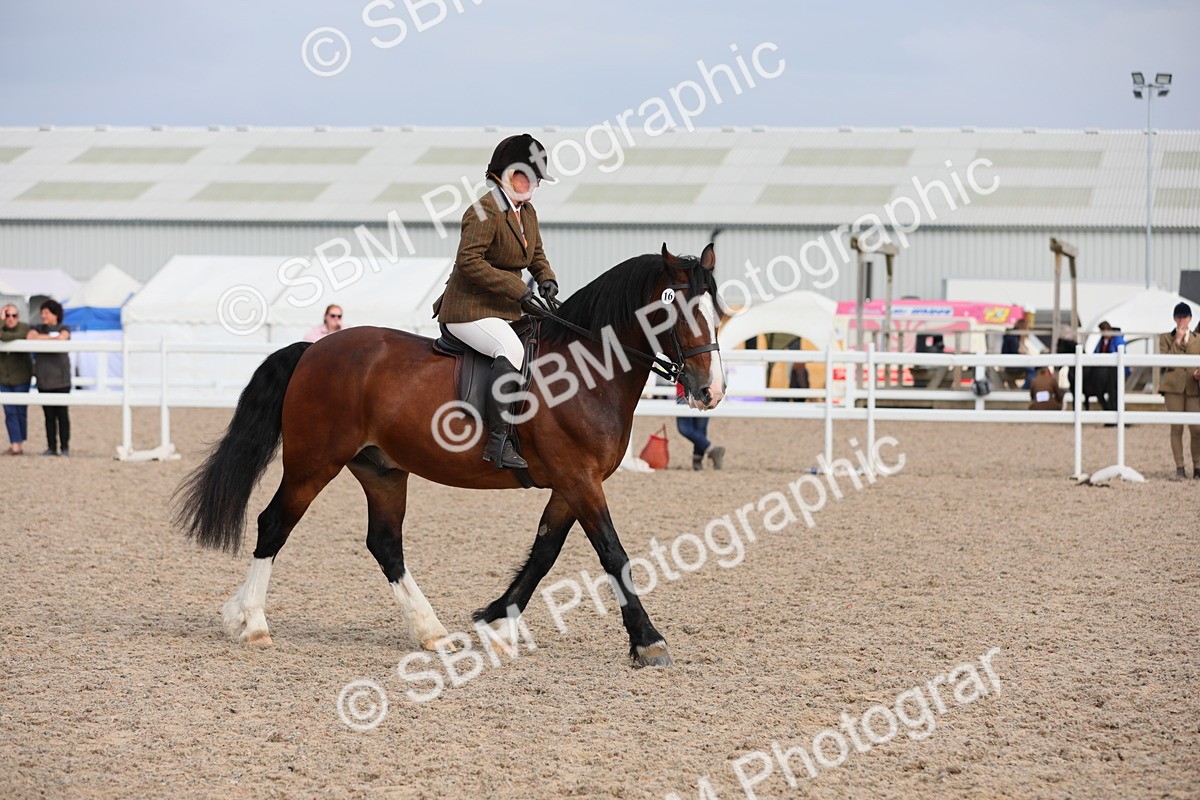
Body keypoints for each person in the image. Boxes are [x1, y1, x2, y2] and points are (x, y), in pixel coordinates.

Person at [432, 133, 559, 470]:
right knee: (512, 350)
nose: (533, 184)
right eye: (525, 175)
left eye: (536, 178)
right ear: (505, 175)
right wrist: (518, 290)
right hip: (468, 309)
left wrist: (546, 278)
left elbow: (537, 254)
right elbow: (469, 261)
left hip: (502, 308)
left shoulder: (526, 211)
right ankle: (498, 441)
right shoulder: (485, 210)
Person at [1158, 301, 1200, 479]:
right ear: (1174, 318)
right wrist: (1177, 341)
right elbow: (1166, 362)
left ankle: (1197, 466)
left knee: (1196, 429)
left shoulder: (1198, 339)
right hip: (1173, 388)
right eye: (1179, 316)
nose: (1181, 320)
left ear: (1190, 318)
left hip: (1192, 386)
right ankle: (1180, 466)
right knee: (1176, 428)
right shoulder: (1165, 338)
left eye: (1185, 316)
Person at [26, 299, 72, 456]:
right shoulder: (38, 328)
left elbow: (63, 338)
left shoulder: (64, 328)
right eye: (42, 312)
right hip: (44, 379)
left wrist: (44, 338)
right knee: (48, 415)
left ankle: (64, 447)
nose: (43, 316)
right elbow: (30, 337)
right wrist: (51, 338)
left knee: (62, 414)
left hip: (61, 379)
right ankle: (51, 446)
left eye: (47, 312)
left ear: (55, 314)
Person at [0, 304, 32, 455]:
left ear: (18, 317)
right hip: (4, 379)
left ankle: (20, 441)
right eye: (7, 315)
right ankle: (15, 444)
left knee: (21, 411)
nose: (10, 319)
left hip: (21, 377)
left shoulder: (24, 328)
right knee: (10, 412)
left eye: (13, 315)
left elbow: (9, 337)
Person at [675, 382, 725, 470]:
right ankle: (712, 450)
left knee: (700, 428)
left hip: (705, 392)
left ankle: (697, 459)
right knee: (684, 428)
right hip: (683, 392)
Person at [1093, 321, 1128, 412]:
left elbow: (1121, 351)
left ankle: (1116, 413)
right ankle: (1108, 411)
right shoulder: (1102, 340)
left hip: (1115, 371)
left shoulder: (1117, 339)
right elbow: (1095, 352)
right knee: (1101, 392)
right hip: (1104, 372)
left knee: (1114, 393)